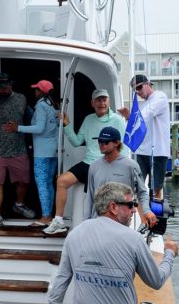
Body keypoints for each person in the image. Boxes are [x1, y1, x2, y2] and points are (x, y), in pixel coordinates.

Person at [43, 181, 177, 304]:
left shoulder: (74, 234)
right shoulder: (134, 239)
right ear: (113, 207)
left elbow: (62, 279)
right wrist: (170, 253)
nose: (134, 210)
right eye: (131, 204)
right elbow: (156, 281)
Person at [43, 88, 127, 235]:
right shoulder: (89, 119)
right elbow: (76, 142)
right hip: (88, 163)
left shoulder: (118, 120)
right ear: (92, 103)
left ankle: (103, 229)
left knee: (98, 199)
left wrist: (118, 167)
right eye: (98, 100)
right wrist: (67, 125)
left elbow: (123, 146)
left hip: (106, 164)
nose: (101, 103)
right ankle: (58, 221)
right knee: (61, 181)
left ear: (109, 102)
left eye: (104, 100)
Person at [0, 72, 33, 227]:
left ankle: (19, 205)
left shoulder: (21, 99)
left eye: (5, 87)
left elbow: (31, 118)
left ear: (11, 85)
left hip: (19, 149)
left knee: (24, 181)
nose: (2, 90)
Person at [4, 79, 59, 227]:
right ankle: (49, 215)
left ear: (41, 91)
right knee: (49, 184)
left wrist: (17, 128)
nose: (35, 91)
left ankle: (45, 217)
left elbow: (39, 128)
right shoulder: (54, 105)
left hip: (42, 152)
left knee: (42, 184)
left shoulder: (41, 106)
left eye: (36, 89)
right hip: (53, 151)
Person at [83, 127, 155, 226]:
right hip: (98, 223)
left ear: (116, 143)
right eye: (100, 141)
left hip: (121, 223)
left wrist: (147, 211)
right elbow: (89, 197)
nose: (101, 145)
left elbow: (142, 192)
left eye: (105, 142)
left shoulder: (131, 166)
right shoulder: (94, 166)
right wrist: (86, 221)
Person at [119, 75, 170, 199]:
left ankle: (156, 209)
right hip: (142, 151)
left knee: (156, 188)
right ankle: (141, 210)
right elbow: (136, 124)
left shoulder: (160, 97)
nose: (138, 92)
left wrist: (130, 116)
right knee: (137, 187)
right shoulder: (141, 104)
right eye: (135, 90)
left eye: (139, 87)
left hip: (158, 152)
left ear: (148, 83)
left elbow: (146, 115)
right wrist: (129, 117)